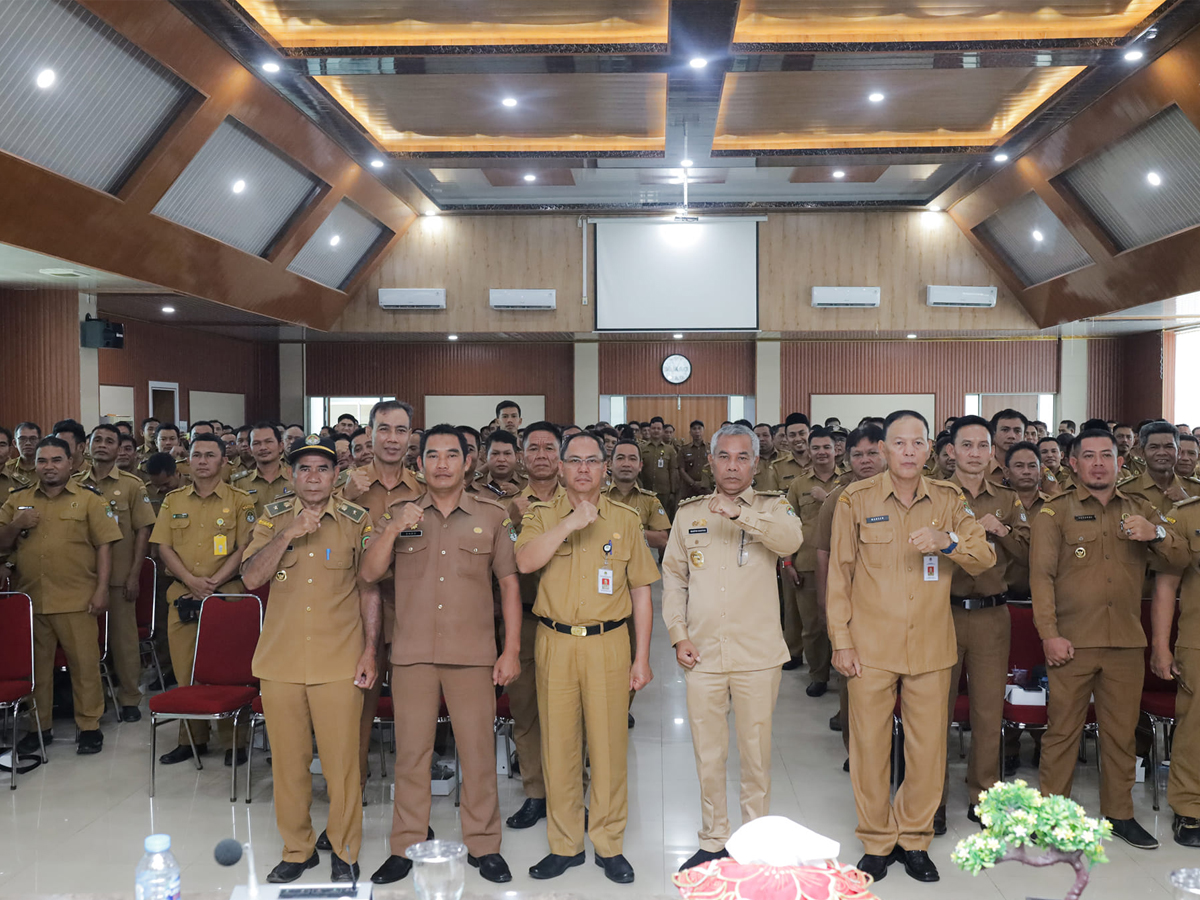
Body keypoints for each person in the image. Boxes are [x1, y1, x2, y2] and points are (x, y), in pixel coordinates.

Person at [828, 410, 994, 883]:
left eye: (915, 443)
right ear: (882, 449)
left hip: (930, 647)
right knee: (869, 747)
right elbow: (839, 575)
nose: (905, 452)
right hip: (870, 647)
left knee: (927, 750)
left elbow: (984, 557)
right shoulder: (854, 499)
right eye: (896, 443)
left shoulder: (948, 499)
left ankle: (915, 839)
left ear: (928, 450)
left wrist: (948, 541)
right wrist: (841, 640)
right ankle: (877, 841)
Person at [364, 425, 520, 886]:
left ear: (468, 461)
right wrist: (394, 526)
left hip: (473, 654)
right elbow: (369, 573)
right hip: (412, 653)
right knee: (412, 755)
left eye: (453, 455)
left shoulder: (491, 516)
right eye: (433, 455)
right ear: (420, 463)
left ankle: (484, 844)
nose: (443, 464)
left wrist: (510, 649)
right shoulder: (398, 513)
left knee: (475, 753)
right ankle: (406, 842)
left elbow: (509, 584)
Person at [1032, 428, 1187, 850]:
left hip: (1125, 642)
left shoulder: (1141, 508)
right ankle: (1053, 816)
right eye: (1090, 456)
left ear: (1121, 462)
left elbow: (1180, 557)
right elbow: (1041, 579)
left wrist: (1154, 533)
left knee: (1120, 733)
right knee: (1063, 731)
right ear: (1073, 462)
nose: (1099, 463)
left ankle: (1119, 814)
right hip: (1072, 642)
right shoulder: (1054, 512)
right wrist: (1049, 635)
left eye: (1107, 455)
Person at [515, 431, 658, 884]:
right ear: (559, 467)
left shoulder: (627, 519)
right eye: (573, 460)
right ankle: (564, 845)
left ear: (605, 468)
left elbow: (641, 592)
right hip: (554, 641)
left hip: (609, 643)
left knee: (610, 746)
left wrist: (642, 658)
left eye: (592, 461)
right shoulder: (540, 515)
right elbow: (525, 563)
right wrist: (570, 524)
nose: (582, 469)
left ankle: (609, 844)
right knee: (558, 747)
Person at [663, 424, 803, 871]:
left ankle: (755, 840)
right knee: (708, 753)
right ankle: (713, 838)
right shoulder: (688, 514)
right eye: (724, 456)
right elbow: (674, 578)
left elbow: (791, 542)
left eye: (743, 458)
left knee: (756, 754)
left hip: (757, 655)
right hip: (702, 652)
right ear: (710, 461)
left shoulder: (774, 507)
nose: (732, 466)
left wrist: (740, 515)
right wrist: (677, 633)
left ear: (756, 464)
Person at [240, 436, 379, 884]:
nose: (314, 476)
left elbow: (370, 588)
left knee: (342, 765)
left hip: (339, 659)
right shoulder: (272, 518)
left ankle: (344, 848)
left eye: (323, 468)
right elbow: (250, 577)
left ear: (336, 476)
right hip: (280, 661)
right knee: (289, 764)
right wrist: (288, 533)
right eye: (304, 469)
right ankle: (298, 849)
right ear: (293, 476)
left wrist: (371, 650)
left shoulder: (357, 521)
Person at [935, 416, 1029, 835]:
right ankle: (931, 798)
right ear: (951, 451)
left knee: (988, 712)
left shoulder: (1008, 499)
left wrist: (1003, 531)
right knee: (934, 711)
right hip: (943, 613)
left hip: (993, 615)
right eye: (966, 445)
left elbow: (1029, 553)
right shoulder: (932, 495)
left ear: (993, 452)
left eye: (983, 446)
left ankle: (983, 794)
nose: (975, 453)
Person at [1, 437, 122, 756]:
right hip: (32, 600)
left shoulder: (89, 500)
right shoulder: (18, 499)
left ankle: (89, 727)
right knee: (37, 671)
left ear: (71, 463)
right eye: (43, 461)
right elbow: (2, 542)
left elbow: (105, 547)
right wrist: (16, 525)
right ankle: (39, 727)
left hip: (78, 599)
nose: (49, 466)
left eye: (56, 460)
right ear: (35, 464)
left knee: (85, 666)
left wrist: (101, 590)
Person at [149, 433, 256, 766]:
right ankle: (190, 739)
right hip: (184, 595)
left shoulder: (240, 501)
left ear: (224, 461)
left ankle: (233, 743)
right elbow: (163, 546)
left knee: (227, 672)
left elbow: (244, 549)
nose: (203, 461)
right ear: (188, 460)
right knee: (185, 670)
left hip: (226, 597)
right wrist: (191, 580)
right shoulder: (174, 501)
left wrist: (214, 582)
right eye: (197, 455)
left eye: (210, 455)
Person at [340, 400, 425, 799]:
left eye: (401, 430)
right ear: (369, 433)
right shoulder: (344, 485)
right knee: (354, 714)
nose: (392, 439)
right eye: (384, 429)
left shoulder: (423, 491)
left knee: (412, 716)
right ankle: (348, 801)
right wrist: (344, 496)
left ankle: (411, 808)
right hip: (355, 612)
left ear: (411, 437)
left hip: (409, 613)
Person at [502, 422, 566, 830]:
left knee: (569, 714)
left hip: (568, 622)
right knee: (526, 712)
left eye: (549, 448)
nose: (541, 455)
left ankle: (571, 792)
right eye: (534, 449)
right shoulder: (503, 507)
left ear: (560, 455)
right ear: (522, 457)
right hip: (523, 618)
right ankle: (535, 794)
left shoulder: (581, 502)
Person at [74, 423, 156, 723]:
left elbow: (143, 532)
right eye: (98, 440)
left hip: (121, 576)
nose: (103, 445)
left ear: (119, 448)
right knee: (84, 643)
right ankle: (93, 698)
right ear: (87, 445)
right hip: (83, 577)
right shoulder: (75, 483)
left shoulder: (132, 485)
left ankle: (130, 697)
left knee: (124, 641)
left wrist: (135, 574)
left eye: (110, 441)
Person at [814, 425, 886, 757]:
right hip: (854, 608)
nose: (866, 461)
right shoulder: (838, 500)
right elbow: (824, 555)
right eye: (858, 454)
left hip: (895, 607)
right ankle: (855, 752)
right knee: (852, 682)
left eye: (873, 453)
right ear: (848, 459)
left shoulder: (908, 494)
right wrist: (827, 606)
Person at [604, 437, 672, 725]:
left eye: (632, 459)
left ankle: (622, 705)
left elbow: (662, 538)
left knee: (631, 649)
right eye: (621, 458)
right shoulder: (595, 496)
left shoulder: (649, 501)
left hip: (633, 584)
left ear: (640, 465)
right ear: (610, 464)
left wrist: (627, 530)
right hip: (600, 581)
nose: (626, 464)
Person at [1150, 492, 1200, 846]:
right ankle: (1190, 808)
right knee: (1195, 731)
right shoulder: (1185, 516)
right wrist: (1161, 646)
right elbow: (1166, 586)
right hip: (1197, 641)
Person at [782, 426, 840, 690]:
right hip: (807, 563)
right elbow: (787, 525)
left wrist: (827, 498)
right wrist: (788, 561)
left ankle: (843, 672)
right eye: (815, 447)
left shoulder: (849, 481)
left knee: (844, 621)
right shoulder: (798, 485)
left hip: (845, 562)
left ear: (836, 449)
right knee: (813, 625)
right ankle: (818, 676)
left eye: (826, 447)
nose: (821, 452)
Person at [1120, 421, 1200, 514]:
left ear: (1178, 451)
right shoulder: (1125, 490)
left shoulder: (1196, 489)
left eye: (1169, 447)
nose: (1162, 453)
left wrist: (1188, 502)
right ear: (1142, 452)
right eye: (1154, 447)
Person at [233, 422, 294, 518]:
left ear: (281, 446)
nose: (263, 448)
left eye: (268, 442)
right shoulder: (239, 482)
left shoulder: (295, 478)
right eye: (256, 443)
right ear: (250, 450)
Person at [639, 416, 678, 519]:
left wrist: (673, 491)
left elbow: (673, 471)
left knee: (664, 518)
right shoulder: (642, 448)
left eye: (658, 429)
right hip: (646, 490)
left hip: (664, 492)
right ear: (650, 430)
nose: (656, 431)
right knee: (646, 517)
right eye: (653, 428)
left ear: (662, 431)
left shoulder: (670, 450)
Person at [769, 413, 812, 492]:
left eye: (802, 433)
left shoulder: (821, 463)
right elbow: (772, 499)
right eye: (792, 435)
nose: (798, 439)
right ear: (786, 438)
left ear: (810, 434)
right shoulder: (777, 467)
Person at [478, 430, 527, 499]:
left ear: (516, 456)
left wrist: (518, 495)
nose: (501, 459)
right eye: (495, 453)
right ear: (486, 456)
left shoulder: (528, 484)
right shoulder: (475, 485)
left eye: (507, 454)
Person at [987, 409, 1027, 486]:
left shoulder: (1036, 470)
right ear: (993, 434)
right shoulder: (980, 469)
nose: (1011, 436)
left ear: (1024, 437)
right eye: (1005, 430)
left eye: (1017, 431)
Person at [6, 422, 41, 488]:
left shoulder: (47, 468)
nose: (28, 443)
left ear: (40, 441)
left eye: (33, 439)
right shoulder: (7, 468)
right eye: (22, 439)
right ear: (15, 443)